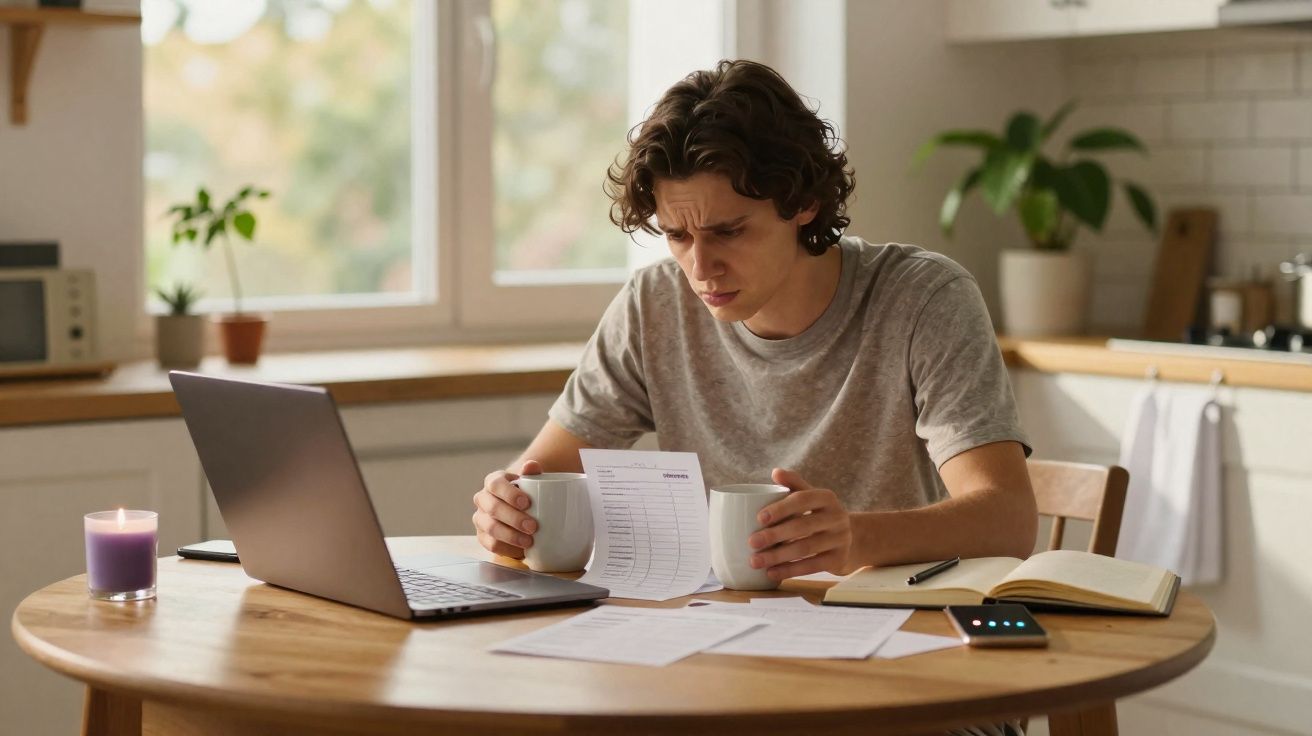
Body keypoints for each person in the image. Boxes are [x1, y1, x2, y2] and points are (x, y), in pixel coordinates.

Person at [472, 58, 1035, 584]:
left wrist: (854, 537)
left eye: (729, 231)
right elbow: (539, 473)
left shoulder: (923, 298)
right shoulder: (654, 305)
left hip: (887, 629)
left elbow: (1008, 519)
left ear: (804, 203)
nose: (700, 267)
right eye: (677, 235)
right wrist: (508, 508)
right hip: (710, 632)